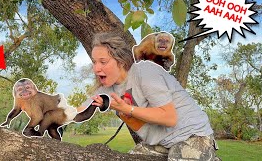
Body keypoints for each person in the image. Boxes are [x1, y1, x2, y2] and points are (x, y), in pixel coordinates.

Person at [77, 32, 219, 160]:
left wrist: (127, 109)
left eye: (103, 62)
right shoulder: (107, 89)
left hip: (193, 134)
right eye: (94, 62)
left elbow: (170, 118)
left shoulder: (145, 72)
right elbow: (78, 111)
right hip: (163, 144)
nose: (96, 69)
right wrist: (57, 114)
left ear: (120, 61)